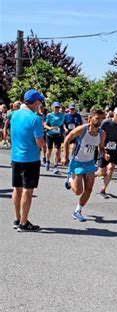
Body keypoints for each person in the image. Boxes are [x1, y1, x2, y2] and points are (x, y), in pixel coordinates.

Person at [10, 89, 46, 232]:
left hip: (15, 156)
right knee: (27, 190)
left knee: (16, 188)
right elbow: (40, 142)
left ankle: (18, 218)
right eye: (40, 101)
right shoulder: (35, 118)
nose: (40, 104)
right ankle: (24, 223)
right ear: (35, 102)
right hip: (30, 158)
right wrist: (44, 141)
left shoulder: (14, 115)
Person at [63, 109, 106, 222]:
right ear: (90, 119)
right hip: (77, 162)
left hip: (90, 163)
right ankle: (69, 181)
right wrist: (65, 156)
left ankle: (77, 211)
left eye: (102, 118)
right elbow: (67, 139)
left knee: (89, 189)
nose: (100, 121)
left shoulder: (102, 134)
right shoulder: (82, 130)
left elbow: (101, 148)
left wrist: (104, 154)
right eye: (97, 118)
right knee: (78, 191)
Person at [96, 107, 117, 198]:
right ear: (114, 114)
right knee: (101, 172)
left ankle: (103, 189)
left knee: (111, 168)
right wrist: (101, 146)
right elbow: (99, 133)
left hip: (114, 150)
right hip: (104, 147)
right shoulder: (106, 123)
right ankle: (89, 174)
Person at [44, 101, 65, 174]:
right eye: (56, 107)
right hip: (50, 134)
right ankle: (47, 161)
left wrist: (63, 129)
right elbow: (45, 125)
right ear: (53, 108)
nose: (57, 108)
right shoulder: (49, 115)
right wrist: (50, 128)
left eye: (58, 107)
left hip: (58, 135)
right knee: (49, 150)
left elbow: (61, 124)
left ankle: (56, 166)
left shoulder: (62, 115)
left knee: (57, 151)